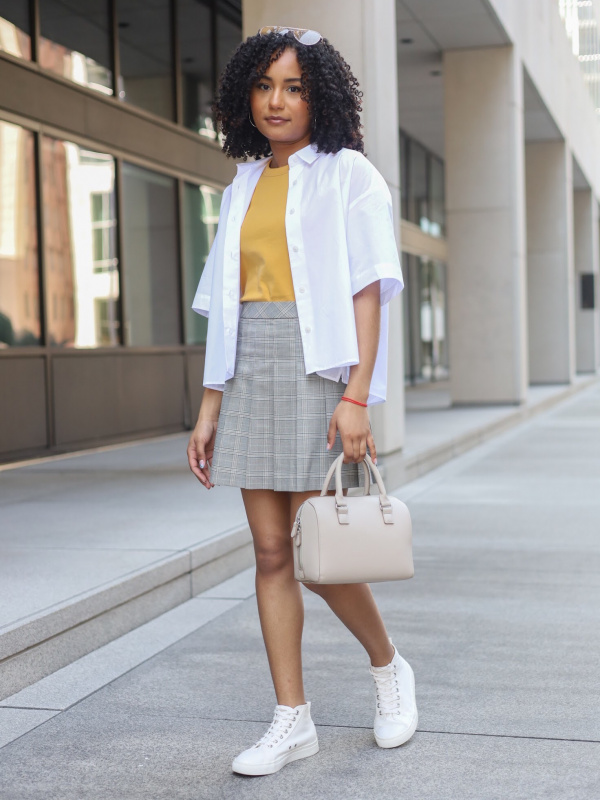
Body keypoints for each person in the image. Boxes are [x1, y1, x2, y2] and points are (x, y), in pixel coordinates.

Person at [187, 25, 417, 776]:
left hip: (320, 365)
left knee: (320, 552)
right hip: (251, 363)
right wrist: (209, 404)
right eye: (264, 86)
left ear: (319, 96)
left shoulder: (351, 175)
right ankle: (293, 718)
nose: (277, 101)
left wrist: (358, 395)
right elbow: (229, 302)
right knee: (268, 550)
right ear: (242, 96)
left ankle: (389, 670)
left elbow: (368, 292)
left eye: (293, 86)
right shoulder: (244, 183)